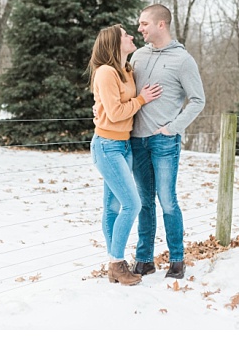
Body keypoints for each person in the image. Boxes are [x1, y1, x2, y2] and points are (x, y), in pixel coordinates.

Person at [129, 4, 205, 279]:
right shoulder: (137, 56)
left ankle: (177, 260)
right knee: (143, 203)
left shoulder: (183, 60)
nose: (139, 28)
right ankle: (145, 260)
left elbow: (198, 100)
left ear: (161, 24)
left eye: (144, 23)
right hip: (137, 141)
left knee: (167, 201)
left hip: (164, 142)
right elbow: (124, 92)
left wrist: (173, 128)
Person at [89, 24, 162, 286]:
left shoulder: (126, 71)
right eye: (125, 35)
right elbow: (117, 112)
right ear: (114, 43)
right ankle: (117, 264)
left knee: (113, 207)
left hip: (124, 145)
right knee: (132, 203)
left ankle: (113, 263)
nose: (131, 36)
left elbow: (113, 108)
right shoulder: (106, 72)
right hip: (107, 146)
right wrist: (142, 100)